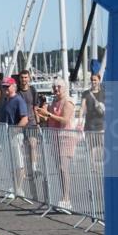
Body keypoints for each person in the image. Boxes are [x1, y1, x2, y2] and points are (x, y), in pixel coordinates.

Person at [38, 81, 77, 210]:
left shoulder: (68, 102)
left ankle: (67, 198)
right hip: (54, 138)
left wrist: (48, 114)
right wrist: (40, 113)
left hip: (66, 137)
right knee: (58, 169)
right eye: (54, 86)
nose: (56, 89)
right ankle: (63, 197)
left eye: (58, 86)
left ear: (64, 88)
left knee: (63, 168)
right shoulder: (53, 102)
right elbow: (48, 119)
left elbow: (65, 119)